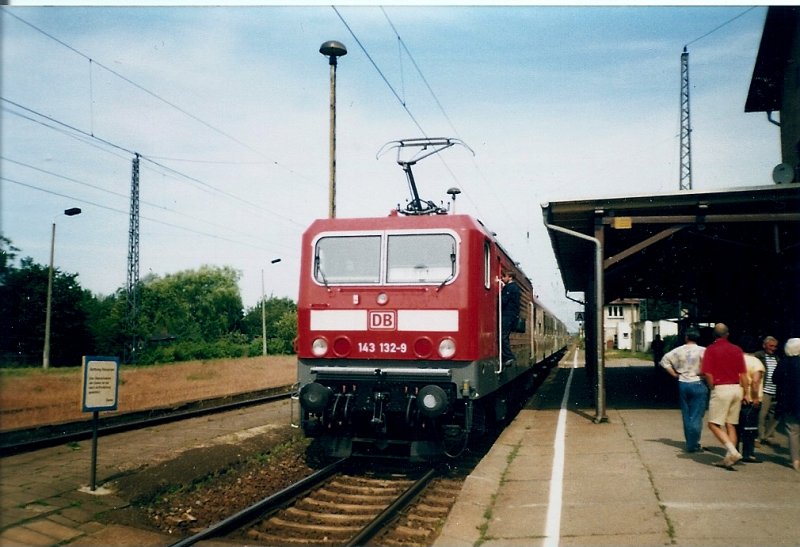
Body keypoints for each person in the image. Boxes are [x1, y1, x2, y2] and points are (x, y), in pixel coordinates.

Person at [700, 323, 747, 469]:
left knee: (713, 424)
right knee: (731, 424)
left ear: (714, 335)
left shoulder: (711, 349)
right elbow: (743, 374)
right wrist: (745, 393)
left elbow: (707, 372)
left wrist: (712, 386)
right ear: (728, 334)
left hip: (721, 389)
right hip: (736, 388)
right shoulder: (737, 349)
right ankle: (729, 458)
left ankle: (733, 452)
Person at [660, 327, 707, 453]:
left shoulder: (678, 351)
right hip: (698, 382)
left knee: (686, 414)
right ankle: (694, 443)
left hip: (683, 383)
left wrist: (674, 374)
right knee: (696, 415)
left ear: (686, 337)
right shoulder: (704, 351)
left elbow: (664, 361)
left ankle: (689, 442)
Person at [774, 338, 800, 472]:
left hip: (789, 403)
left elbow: (775, 379)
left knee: (793, 432)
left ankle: (796, 461)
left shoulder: (783, 363)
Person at [737, 336, 765, 462]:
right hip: (750, 399)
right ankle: (748, 454)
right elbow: (755, 382)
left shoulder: (736, 360)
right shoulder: (756, 362)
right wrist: (755, 398)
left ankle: (734, 450)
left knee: (736, 426)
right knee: (750, 428)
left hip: (737, 396)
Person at [755, 335, 781, 446]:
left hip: (775, 390)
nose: (773, 348)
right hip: (765, 390)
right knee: (761, 415)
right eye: (771, 346)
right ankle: (759, 437)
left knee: (773, 415)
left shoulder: (777, 358)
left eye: (775, 346)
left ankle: (768, 436)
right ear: (764, 345)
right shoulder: (758, 356)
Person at [500, 270, 521, 365]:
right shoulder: (514, 287)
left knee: (503, 336)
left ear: (510, 277)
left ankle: (508, 357)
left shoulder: (510, 287)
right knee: (504, 336)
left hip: (508, 315)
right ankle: (507, 356)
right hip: (511, 315)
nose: (502, 278)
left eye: (504, 276)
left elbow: (504, 301)